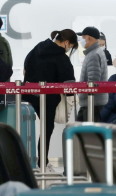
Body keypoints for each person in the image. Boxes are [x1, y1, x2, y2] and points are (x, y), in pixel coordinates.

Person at [22, 30, 76, 171]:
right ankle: (42, 164)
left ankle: (31, 163)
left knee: (27, 129)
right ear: (66, 43)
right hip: (48, 98)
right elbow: (68, 81)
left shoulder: (38, 47)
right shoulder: (61, 58)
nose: (68, 49)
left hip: (28, 95)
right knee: (46, 130)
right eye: (70, 46)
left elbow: (26, 67)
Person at [77, 27, 108, 122]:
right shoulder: (95, 52)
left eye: (83, 37)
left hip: (92, 104)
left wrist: (82, 96)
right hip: (93, 103)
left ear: (89, 38)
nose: (81, 40)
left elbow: (93, 81)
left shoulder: (93, 55)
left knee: (88, 134)